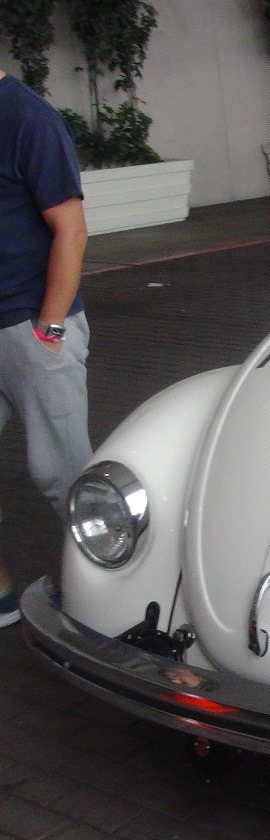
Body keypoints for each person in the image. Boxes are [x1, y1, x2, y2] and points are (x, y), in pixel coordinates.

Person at [0, 67, 92, 628]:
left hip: (30, 327)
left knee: (64, 475)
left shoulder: (27, 117)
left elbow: (71, 230)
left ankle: (108, 600)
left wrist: (50, 329)